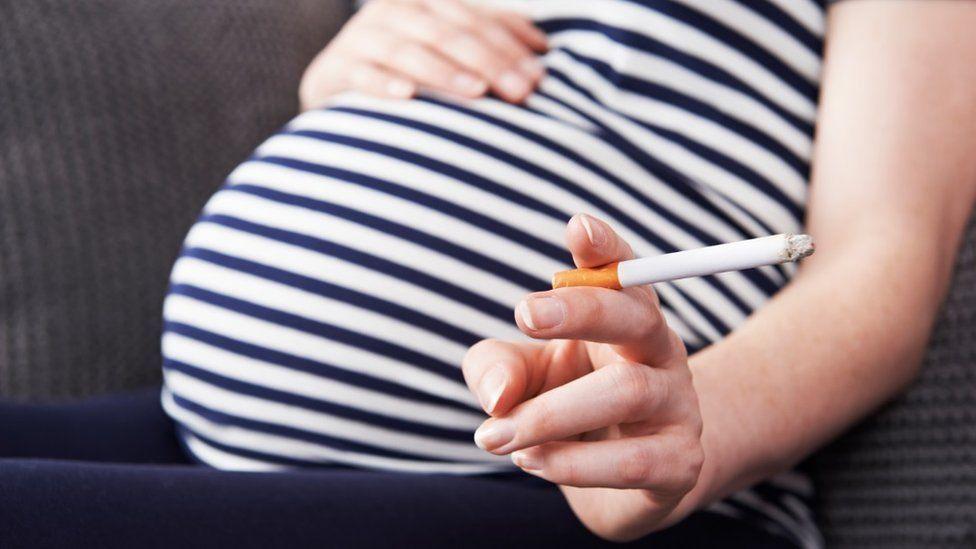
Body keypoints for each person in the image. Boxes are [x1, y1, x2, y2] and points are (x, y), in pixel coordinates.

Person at [3, 1, 976, 547]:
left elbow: (878, 275)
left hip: (620, 504)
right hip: (203, 425)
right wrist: (346, 75)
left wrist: (682, 437)